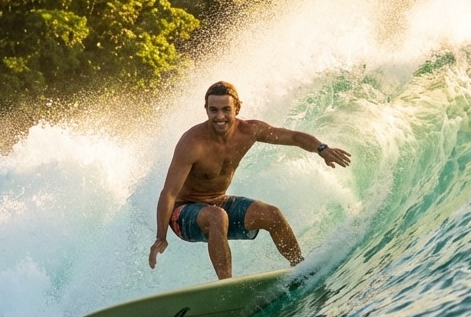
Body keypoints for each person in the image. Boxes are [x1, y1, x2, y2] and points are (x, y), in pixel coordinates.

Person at [149, 81, 351, 279]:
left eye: (226, 109)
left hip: (218, 201)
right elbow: (169, 193)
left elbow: (293, 137)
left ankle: (301, 269)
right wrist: (161, 236)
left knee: (272, 214)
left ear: (237, 108)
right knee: (217, 216)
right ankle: (226, 285)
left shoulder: (249, 131)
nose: (220, 116)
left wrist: (321, 149)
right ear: (206, 110)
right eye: (213, 110)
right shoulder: (192, 142)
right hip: (183, 213)